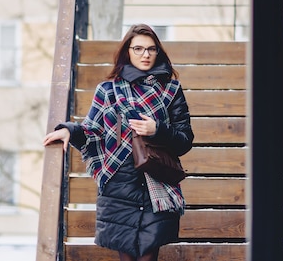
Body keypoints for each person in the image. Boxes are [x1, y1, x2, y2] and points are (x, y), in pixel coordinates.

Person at [43, 23, 193, 261]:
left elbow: (184, 141)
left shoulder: (171, 89)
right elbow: (93, 129)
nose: (145, 54)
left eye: (151, 49)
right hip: (120, 184)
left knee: (147, 256)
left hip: (157, 182)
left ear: (158, 52)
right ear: (127, 51)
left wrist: (157, 130)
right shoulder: (108, 90)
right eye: (138, 49)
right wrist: (69, 130)